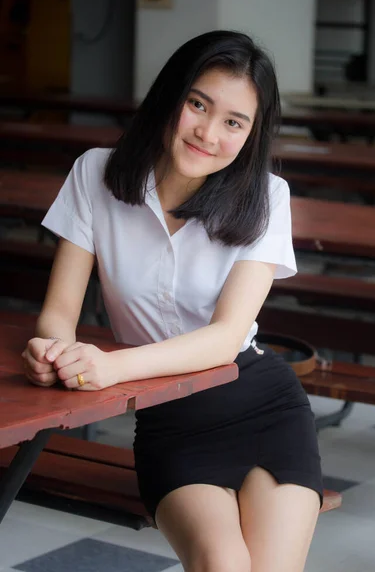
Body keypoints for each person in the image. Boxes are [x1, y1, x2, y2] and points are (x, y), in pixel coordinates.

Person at [22, 30, 323, 572]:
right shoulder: (95, 174)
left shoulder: (267, 197)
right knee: (221, 565)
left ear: (252, 135)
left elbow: (228, 337)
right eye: (197, 104)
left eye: (234, 122)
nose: (208, 133)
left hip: (261, 402)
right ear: (171, 96)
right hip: (172, 420)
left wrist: (109, 366)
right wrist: (53, 351)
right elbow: (60, 311)